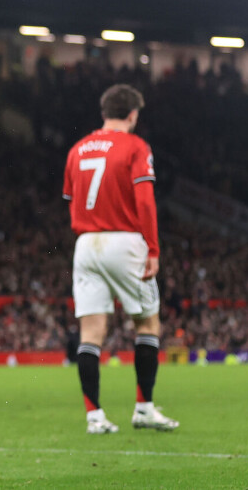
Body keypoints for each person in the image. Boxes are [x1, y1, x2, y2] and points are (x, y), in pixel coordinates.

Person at [63, 84, 178, 434]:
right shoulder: (136, 146)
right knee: (147, 324)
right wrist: (153, 249)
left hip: (86, 243)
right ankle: (143, 409)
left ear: (104, 112)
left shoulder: (78, 149)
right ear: (132, 114)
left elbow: (71, 200)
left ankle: (94, 417)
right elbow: (145, 202)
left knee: (91, 331)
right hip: (124, 241)